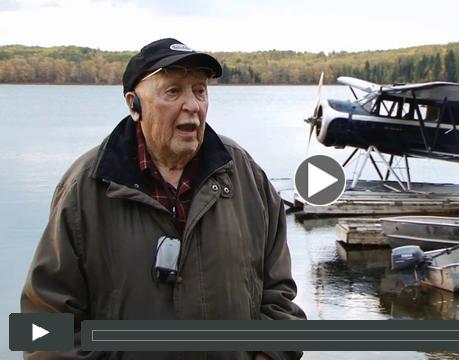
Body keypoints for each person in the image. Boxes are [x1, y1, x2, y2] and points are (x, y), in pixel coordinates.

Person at [21, 38, 306, 360]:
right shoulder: (85, 188)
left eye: (200, 90)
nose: (193, 106)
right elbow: (42, 325)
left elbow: (280, 297)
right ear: (134, 104)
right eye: (173, 91)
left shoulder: (247, 177)